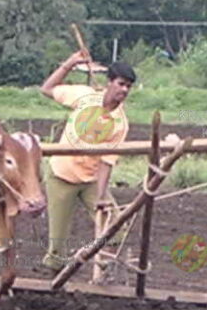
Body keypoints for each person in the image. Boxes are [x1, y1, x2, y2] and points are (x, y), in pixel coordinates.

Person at [39, 51, 136, 273]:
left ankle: (105, 274)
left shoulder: (120, 123)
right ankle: (56, 285)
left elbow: (106, 162)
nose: (124, 90)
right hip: (61, 175)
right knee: (57, 246)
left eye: (128, 87)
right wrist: (69, 64)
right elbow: (46, 89)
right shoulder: (84, 96)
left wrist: (101, 197)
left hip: (91, 180)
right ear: (109, 83)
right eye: (121, 84)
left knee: (115, 229)